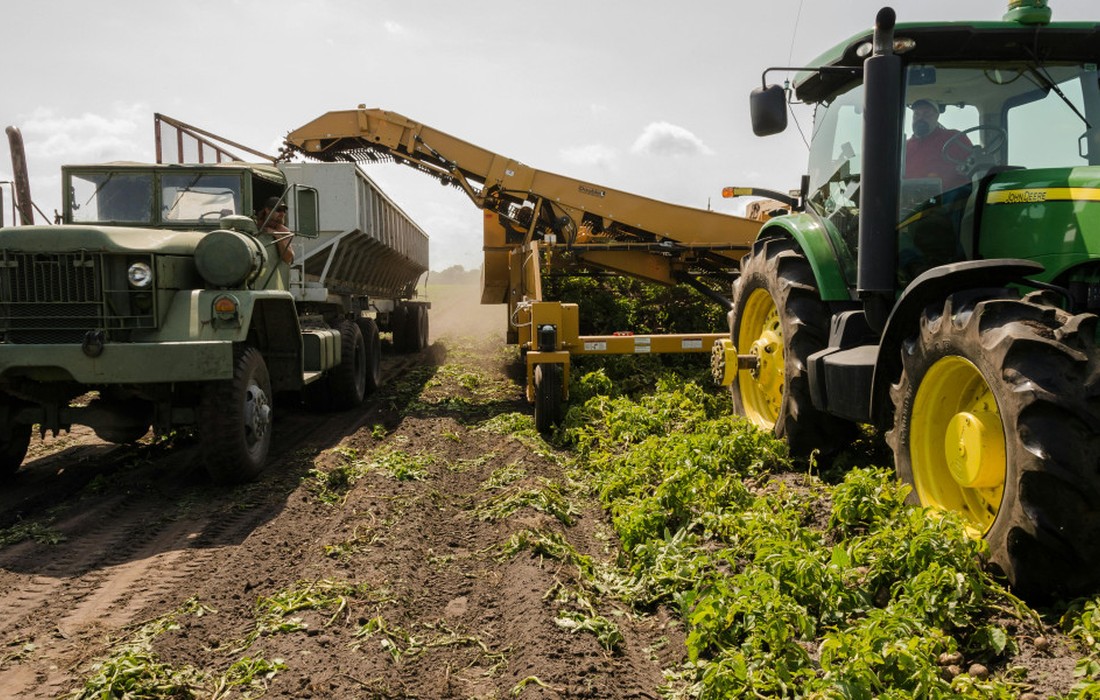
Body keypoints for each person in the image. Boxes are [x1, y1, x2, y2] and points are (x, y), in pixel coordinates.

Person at [904, 99, 973, 190]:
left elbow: (973, 164)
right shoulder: (904, 147)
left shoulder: (955, 138)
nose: (920, 118)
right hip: (912, 199)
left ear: (937, 117)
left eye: (927, 114)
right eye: (917, 114)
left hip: (952, 199)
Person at [255, 196, 295, 264]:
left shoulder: (284, 231)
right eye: (279, 210)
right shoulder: (255, 224)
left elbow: (288, 258)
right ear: (267, 210)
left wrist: (278, 236)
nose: (282, 214)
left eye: (284, 211)